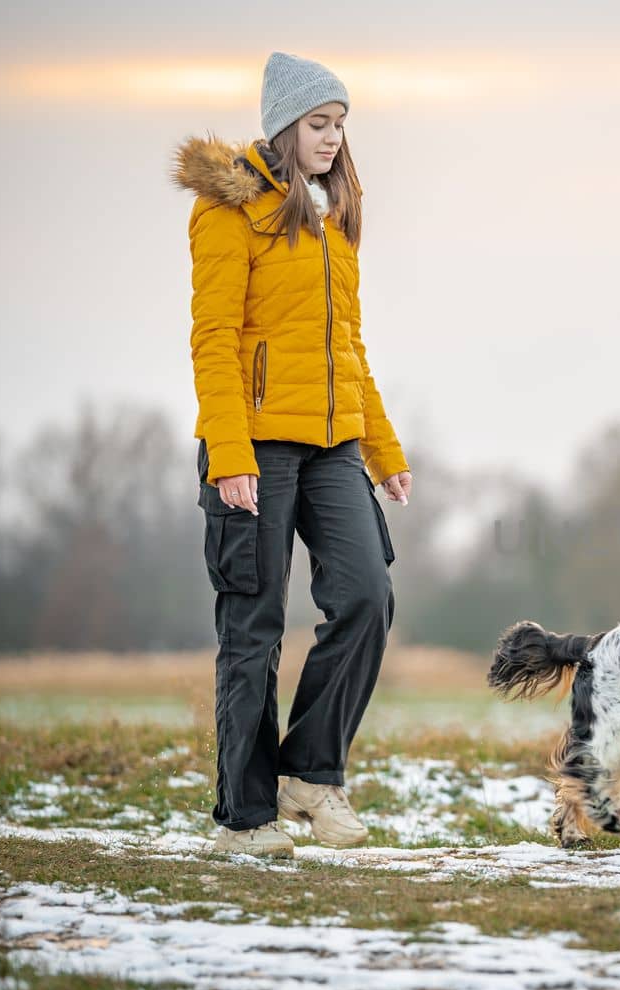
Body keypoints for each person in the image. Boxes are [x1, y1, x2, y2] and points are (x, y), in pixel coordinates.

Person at [170, 51, 412, 858]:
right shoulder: (229, 210)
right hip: (256, 446)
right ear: (283, 126)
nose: (332, 139)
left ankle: (311, 771)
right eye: (318, 124)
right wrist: (228, 453)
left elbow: (350, 346)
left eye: (340, 125)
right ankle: (245, 815)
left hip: (335, 444)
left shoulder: (334, 215)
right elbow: (214, 341)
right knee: (256, 624)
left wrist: (383, 448)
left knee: (367, 597)